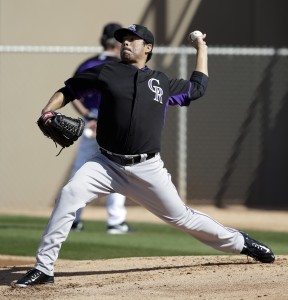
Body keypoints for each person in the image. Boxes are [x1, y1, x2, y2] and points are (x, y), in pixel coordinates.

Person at [14, 24, 275, 288]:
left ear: (148, 48)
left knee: (183, 218)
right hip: (105, 164)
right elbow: (68, 91)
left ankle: (242, 243)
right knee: (69, 195)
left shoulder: (161, 81)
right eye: (123, 40)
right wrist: (46, 111)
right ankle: (44, 268)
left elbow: (198, 88)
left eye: (132, 40)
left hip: (147, 167)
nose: (126, 43)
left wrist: (201, 49)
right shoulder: (107, 71)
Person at [67, 22, 134, 234]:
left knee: (79, 170)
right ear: (117, 42)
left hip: (91, 123)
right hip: (113, 124)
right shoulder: (122, 66)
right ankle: (115, 222)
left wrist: (88, 116)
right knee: (119, 170)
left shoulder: (88, 63)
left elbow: (70, 92)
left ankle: (73, 220)